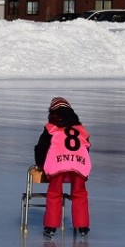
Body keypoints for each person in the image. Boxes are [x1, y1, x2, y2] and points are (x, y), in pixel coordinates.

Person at [34, 96, 91, 239]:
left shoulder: (51, 128)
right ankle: (83, 226)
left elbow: (41, 149)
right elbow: (86, 146)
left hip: (58, 163)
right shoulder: (81, 129)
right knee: (80, 194)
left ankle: (51, 227)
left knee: (54, 194)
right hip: (79, 163)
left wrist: (41, 165)